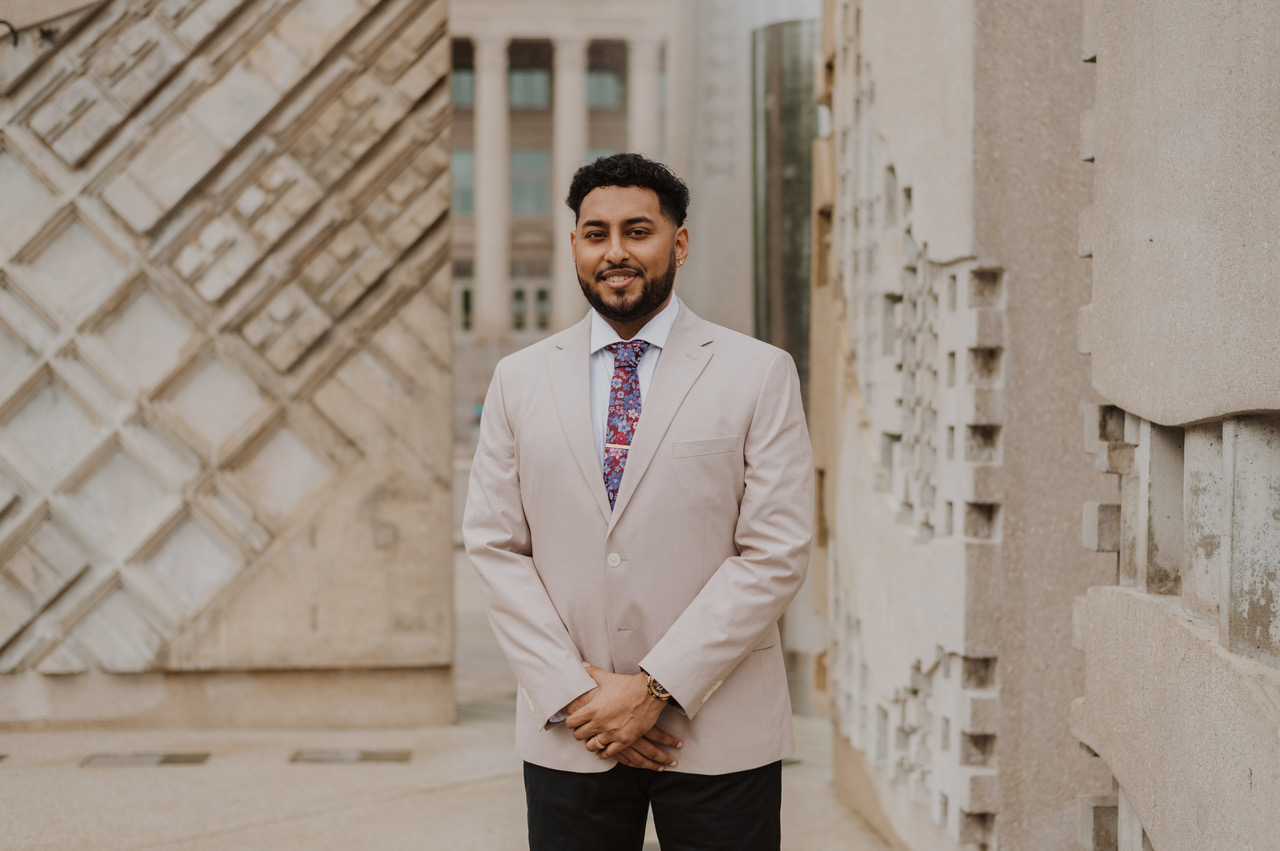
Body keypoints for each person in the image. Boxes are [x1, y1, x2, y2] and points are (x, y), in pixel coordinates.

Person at [462, 152, 813, 850]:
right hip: (574, 729)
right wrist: (577, 693)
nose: (615, 252)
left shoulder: (757, 372)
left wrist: (653, 688)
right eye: (596, 234)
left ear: (677, 242)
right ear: (574, 246)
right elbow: (495, 546)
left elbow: (775, 551)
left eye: (637, 231)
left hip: (719, 732)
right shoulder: (518, 379)